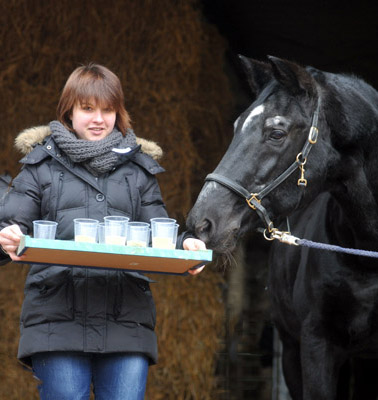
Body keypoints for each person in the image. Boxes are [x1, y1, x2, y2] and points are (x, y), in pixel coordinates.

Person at [0, 63, 206, 400]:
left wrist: (187, 246)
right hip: (56, 320)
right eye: (88, 109)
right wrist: (6, 236)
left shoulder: (139, 171)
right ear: (69, 111)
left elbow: (158, 230)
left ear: (119, 112)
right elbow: (12, 223)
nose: (99, 119)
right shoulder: (40, 166)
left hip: (126, 320)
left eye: (108, 110)